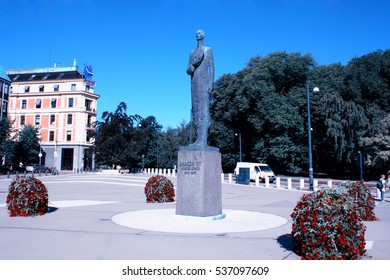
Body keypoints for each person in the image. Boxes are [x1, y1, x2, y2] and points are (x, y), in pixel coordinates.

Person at [186, 29, 215, 149]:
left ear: (203, 35)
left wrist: (210, 84)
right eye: (196, 33)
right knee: (196, 109)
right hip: (194, 83)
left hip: (204, 82)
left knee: (203, 109)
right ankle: (198, 139)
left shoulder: (208, 50)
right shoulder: (192, 52)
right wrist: (192, 66)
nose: (198, 35)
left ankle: (203, 140)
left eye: (200, 33)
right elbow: (188, 70)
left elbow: (212, 69)